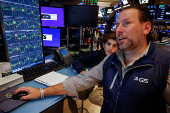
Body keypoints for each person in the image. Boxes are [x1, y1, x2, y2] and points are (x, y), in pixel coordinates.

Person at [14, 6, 170, 113]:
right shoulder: (111, 60)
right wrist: (41, 92)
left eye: (127, 23)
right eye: (117, 25)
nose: (119, 30)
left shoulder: (165, 65)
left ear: (146, 28)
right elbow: (80, 81)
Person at [72, 32, 119, 107]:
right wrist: (82, 71)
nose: (110, 48)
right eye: (108, 44)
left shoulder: (119, 59)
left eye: (114, 46)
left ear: (118, 48)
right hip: (101, 82)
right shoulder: (98, 54)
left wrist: (109, 90)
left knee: (95, 97)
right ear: (103, 45)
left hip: (113, 86)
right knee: (78, 89)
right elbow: (77, 62)